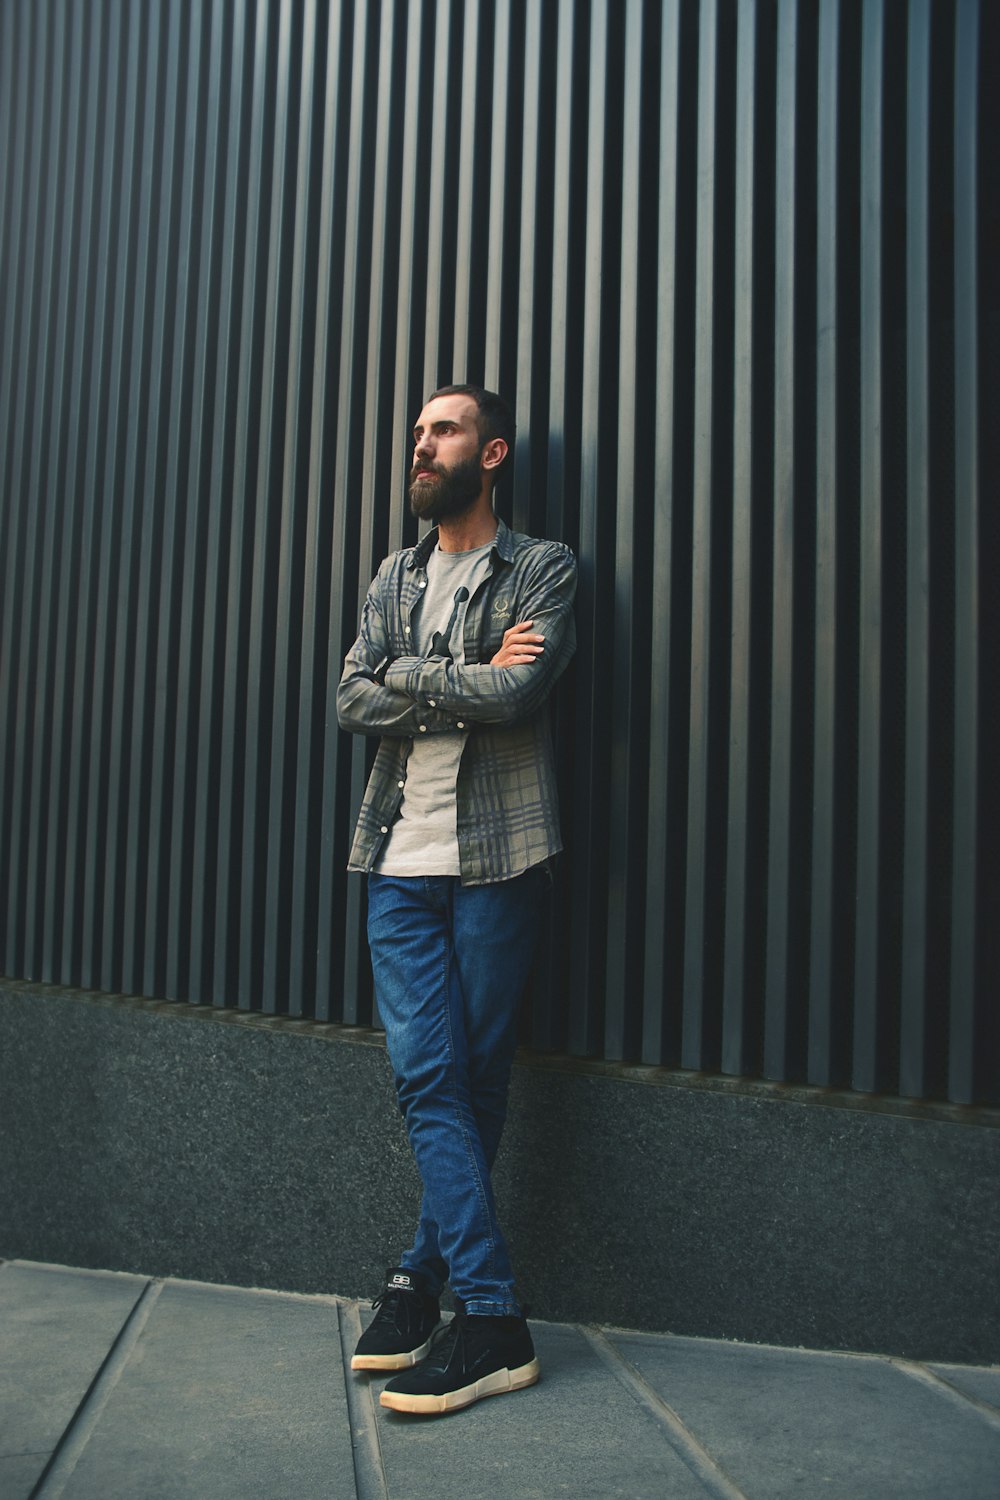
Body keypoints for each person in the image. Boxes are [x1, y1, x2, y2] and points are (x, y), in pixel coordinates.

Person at [336, 384, 577, 1415]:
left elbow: (523, 693)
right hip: (397, 860)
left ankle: (415, 1281)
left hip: (498, 859)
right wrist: (463, 670)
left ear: (492, 453)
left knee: (472, 1080)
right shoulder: (394, 572)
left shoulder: (541, 568)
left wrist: (412, 675)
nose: (420, 446)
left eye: (442, 430)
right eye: (419, 433)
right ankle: (489, 1314)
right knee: (427, 1075)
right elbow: (349, 695)